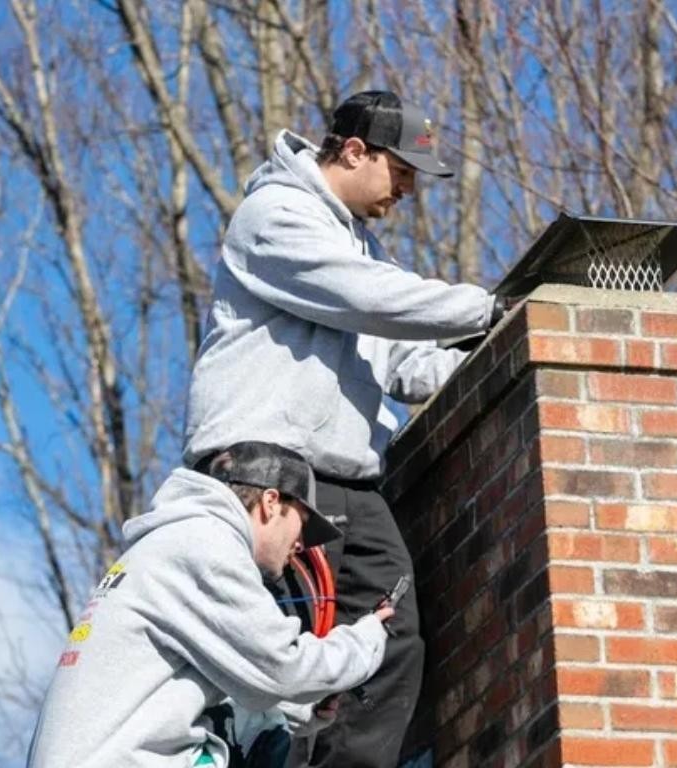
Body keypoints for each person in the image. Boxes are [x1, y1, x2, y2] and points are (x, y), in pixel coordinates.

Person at [182, 90, 509, 767]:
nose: (409, 191)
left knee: (393, 641)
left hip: (347, 480)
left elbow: (406, 358)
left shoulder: (360, 250)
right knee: (297, 656)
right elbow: (365, 297)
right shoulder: (276, 216)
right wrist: (489, 310)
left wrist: (507, 351)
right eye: (403, 172)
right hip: (268, 469)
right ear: (354, 151)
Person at [27, 441, 394, 768]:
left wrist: (303, 707)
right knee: (269, 736)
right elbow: (282, 667)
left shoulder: (171, 543)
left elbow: (241, 686)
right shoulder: (206, 545)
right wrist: (368, 639)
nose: (301, 544)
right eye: (301, 524)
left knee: (267, 725)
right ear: (270, 502)